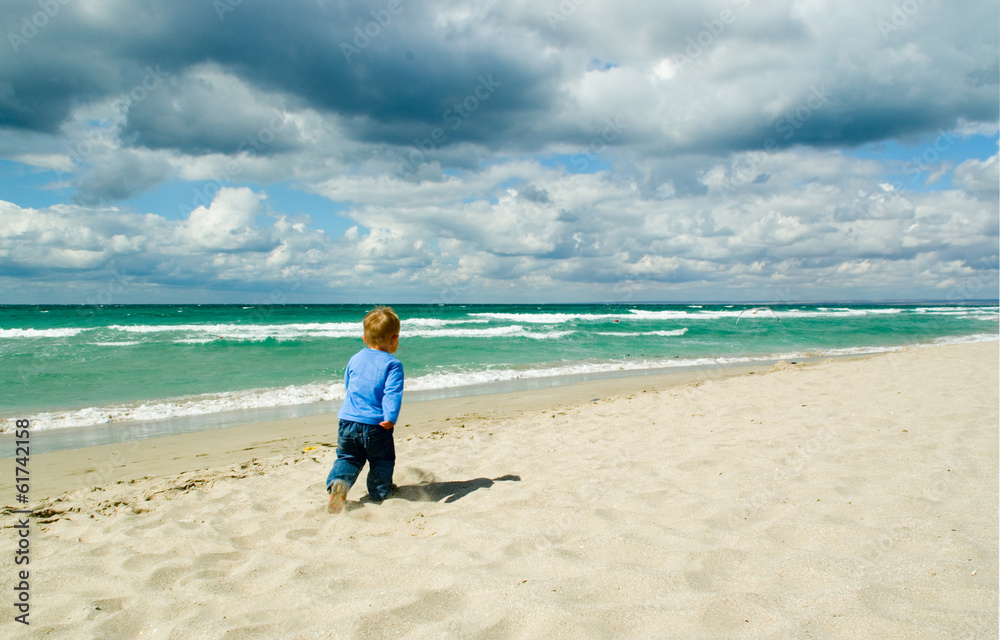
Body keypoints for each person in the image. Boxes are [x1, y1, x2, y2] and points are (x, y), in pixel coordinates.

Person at [325, 306, 404, 514]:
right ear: (394, 339)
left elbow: (349, 384)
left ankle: (338, 483)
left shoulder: (355, 359)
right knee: (382, 460)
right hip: (376, 425)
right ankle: (380, 492)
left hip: (347, 421)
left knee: (348, 458)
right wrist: (391, 417)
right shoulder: (393, 364)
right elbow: (392, 393)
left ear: (364, 338)